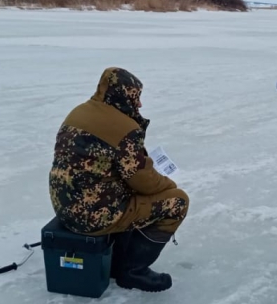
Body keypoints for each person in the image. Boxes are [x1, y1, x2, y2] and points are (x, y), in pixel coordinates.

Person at [49, 67, 189, 292]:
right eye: (135, 97)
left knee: (125, 189)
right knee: (178, 201)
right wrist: (168, 185)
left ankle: (116, 256)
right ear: (122, 94)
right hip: (92, 217)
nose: (139, 104)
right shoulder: (125, 127)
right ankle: (132, 271)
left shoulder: (77, 113)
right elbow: (144, 181)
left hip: (64, 208)